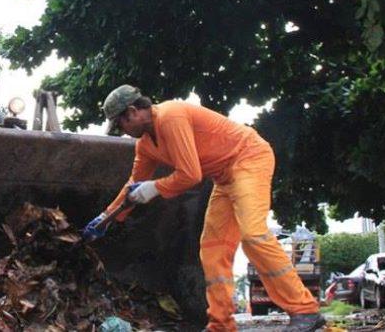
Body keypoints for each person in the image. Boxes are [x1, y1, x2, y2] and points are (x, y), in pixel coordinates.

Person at [82, 85, 324, 332]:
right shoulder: (145, 145)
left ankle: (304, 309)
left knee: (253, 234)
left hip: (248, 157)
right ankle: (221, 324)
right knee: (211, 249)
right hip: (223, 177)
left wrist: (154, 188)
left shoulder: (170, 116)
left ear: (132, 112)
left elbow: (189, 175)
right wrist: (107, 218)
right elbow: (133, 186)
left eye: (121, 125)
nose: (122, 132)